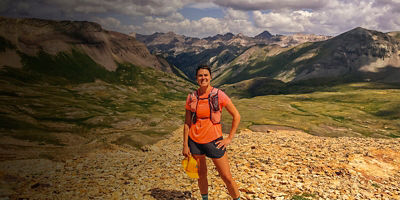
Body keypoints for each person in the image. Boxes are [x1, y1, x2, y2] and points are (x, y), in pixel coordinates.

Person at [182, 65, 241, 200]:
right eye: (200, 75)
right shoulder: (191, 97)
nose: (203, 78)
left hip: (214, 141)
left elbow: (236, 116)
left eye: (205, 75)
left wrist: (229, 138)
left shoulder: (218, 94)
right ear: (196, 78)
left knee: (226, 176)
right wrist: (185, 144)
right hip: (195, 141)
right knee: (201, 175)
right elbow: (187, 123)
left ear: (210, 77)